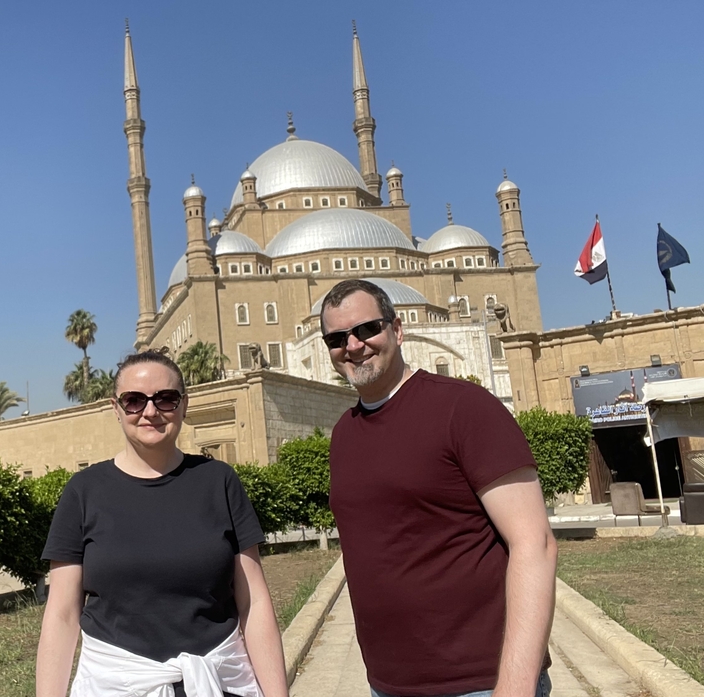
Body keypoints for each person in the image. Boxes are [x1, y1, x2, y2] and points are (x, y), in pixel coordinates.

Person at [320, 279, 557, 697]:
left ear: (397, 330)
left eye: (366, 330)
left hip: (482, 683)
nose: (354, 346)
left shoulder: (463, 407)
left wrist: (515, 686)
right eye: (337, 338)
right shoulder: (344, 434)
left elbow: (534, 543)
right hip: (390, 685)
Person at [36, 351, 287, 697]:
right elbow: (62, 614)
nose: (150, 411)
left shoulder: (219, 481)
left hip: (219, 681)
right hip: (117, 685)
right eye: (134, 400)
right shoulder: (84, 491)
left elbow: (254, 602)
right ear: (116, 409)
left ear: (184, 405)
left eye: (165, 398)